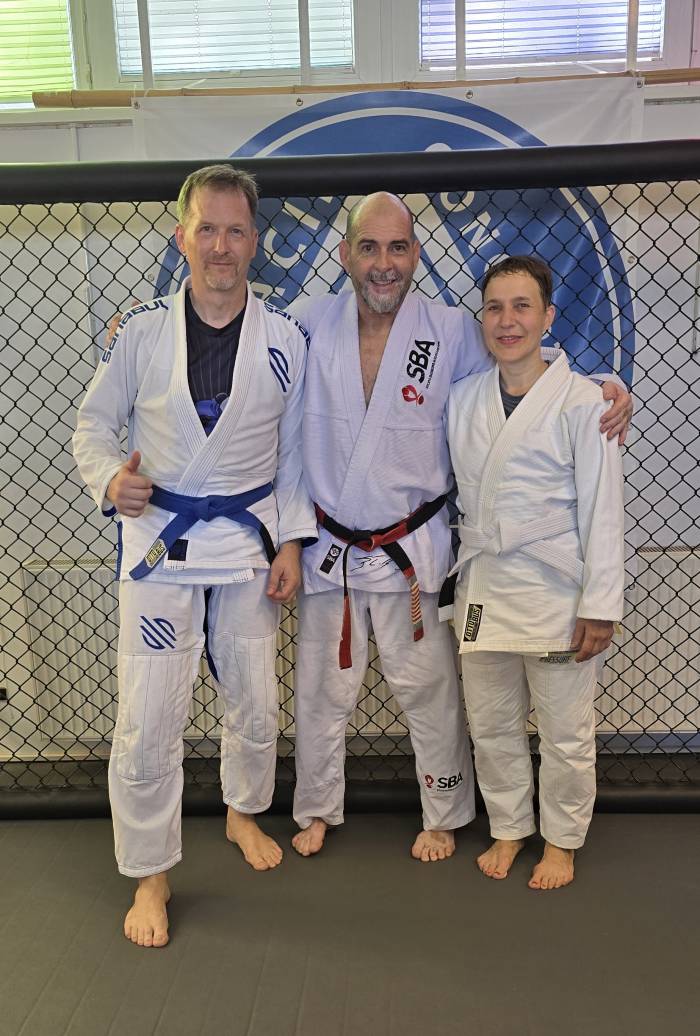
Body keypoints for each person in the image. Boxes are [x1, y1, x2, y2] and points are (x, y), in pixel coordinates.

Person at [287, 193, 632, 863]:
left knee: (432, 692)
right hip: (330, 548)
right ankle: (317, 808)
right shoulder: (305, 321)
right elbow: (239, 336)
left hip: (413, 549)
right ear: (346, 254)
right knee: (320, 691)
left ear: (416, 254)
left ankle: (444, 812)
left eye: (397, 247)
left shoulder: (449, 329)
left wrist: (600, 386)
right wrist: (143, 323)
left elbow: (525, 368)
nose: (383, 263)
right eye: (368, 247)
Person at [72, 164, 317, 947]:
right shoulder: (142, 332)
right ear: (182, 236)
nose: (220, 245)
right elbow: (92, 427)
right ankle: (151, 871)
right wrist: (111, 480)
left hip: (247, 543)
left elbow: (297, 454)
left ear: (255, 241)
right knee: (150, 712)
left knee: (254, 695)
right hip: (159, 543)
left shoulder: (285, 339)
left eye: (235, 230)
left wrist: (292, 540)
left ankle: (242, 812)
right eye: (206, 228)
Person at [447, 255, 625, 889]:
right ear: (482, 319)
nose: (508, 321)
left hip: (555, 590)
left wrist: (600, 604)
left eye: (522, 306)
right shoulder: (462, 398)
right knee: (491, 724)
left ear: (548, 317)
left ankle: (562, 840)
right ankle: (508, 826)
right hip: (484, 586)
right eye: (495, 308)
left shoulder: (584, 402)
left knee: (565, 732)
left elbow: (603, 508)